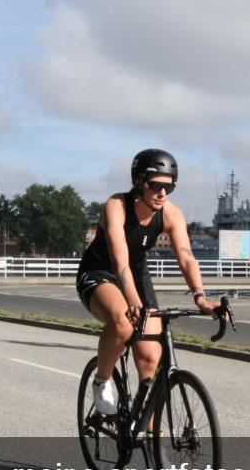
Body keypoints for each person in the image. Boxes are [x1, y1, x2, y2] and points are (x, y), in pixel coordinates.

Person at [76, 148, 222, 416]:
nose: (162, 193)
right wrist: (132, 300)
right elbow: (120, 262)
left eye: (169, 187)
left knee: (151, 359)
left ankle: (151, 442)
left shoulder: (170, 214)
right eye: (155, 185)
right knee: (122, 323)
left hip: (137, 273)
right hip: (100, 272)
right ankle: (102, 380)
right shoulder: (116, 207)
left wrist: (200, 297)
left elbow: (187, 259)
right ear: (137, 181)